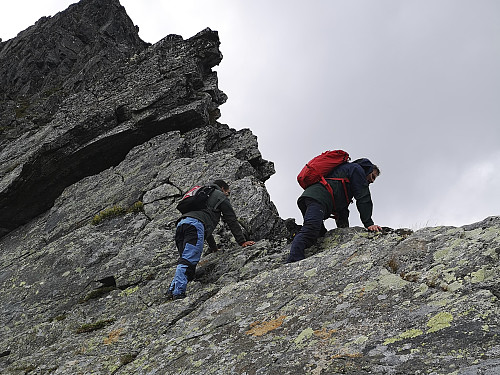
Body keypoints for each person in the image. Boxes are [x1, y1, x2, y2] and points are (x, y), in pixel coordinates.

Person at [167, 179, 255, 300]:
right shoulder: (220, 196)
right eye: (228, 192)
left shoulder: (204, 195)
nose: (227, 195)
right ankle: (178, 293)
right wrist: (242, 241)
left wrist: (213, 248)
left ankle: (172, 289)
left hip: (182, 224)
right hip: (195, 226)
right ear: (223, 188)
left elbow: (206, 229)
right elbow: (231, 220)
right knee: (188, 260)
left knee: (185, 259)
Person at [287, 158, 382, 263]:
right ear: (368, 170)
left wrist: (344, 230)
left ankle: (295, 234)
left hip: (311, 198)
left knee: (320, 235)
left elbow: (342, 211)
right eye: (372, 176)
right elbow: (363, 197)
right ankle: (293, 261)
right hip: (318, 199)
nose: (372, 181)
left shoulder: (346, 174)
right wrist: (369, 223)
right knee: (311, 230)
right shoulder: (357, 170)